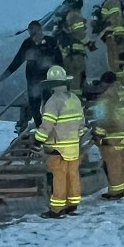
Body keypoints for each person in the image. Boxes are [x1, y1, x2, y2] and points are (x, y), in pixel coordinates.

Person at [33, 65, 86, 218]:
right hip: (73, 146)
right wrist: (76, 138)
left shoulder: (53, 101)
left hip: (58, 147)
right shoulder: (75, 99)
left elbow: (47, 125)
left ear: (50, 84)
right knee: (73, 174)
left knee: (59, 177)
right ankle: (72, 203)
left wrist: (38, 140)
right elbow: (81, 123)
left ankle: (57, 209)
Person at [0, 20, 62, 135]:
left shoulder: (51, 42)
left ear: (40, 30)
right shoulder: (27, 44)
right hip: (33, 81)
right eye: (30, 32)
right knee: (34, 106)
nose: (33, 35)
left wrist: (61, 77)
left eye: (35, 32)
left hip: (48, 79)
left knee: (49, 105)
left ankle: (50, 127)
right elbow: (17, 61)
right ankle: (40, 127)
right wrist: (5, 75)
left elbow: (59, 60)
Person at [90, 71, 124, 200]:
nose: (101, 87)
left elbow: (104, 120)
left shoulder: (106, 98)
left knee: (113, 165)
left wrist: (97, 134)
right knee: (122, 162)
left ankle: (115, 192)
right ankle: (120, 188)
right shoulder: (123, 91)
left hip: (111, 136)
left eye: (102, 84)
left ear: (106, 83)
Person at [55, 0, 90, 98]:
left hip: (69, 53)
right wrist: (89, 43)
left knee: (71, 79)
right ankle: (76, 102)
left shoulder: (67, 15)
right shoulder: (75, 15)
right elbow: (79, 33)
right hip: (75, 54)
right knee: (76, 79)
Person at [98, 0, 124, 82]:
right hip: (115, 36)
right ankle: (119, 83)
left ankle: (119, 82)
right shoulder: (114, 2)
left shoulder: (110, 2)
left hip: (111, 36)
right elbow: (116, 19)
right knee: (117, 61)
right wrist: (119, 34)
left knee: (116, 62)